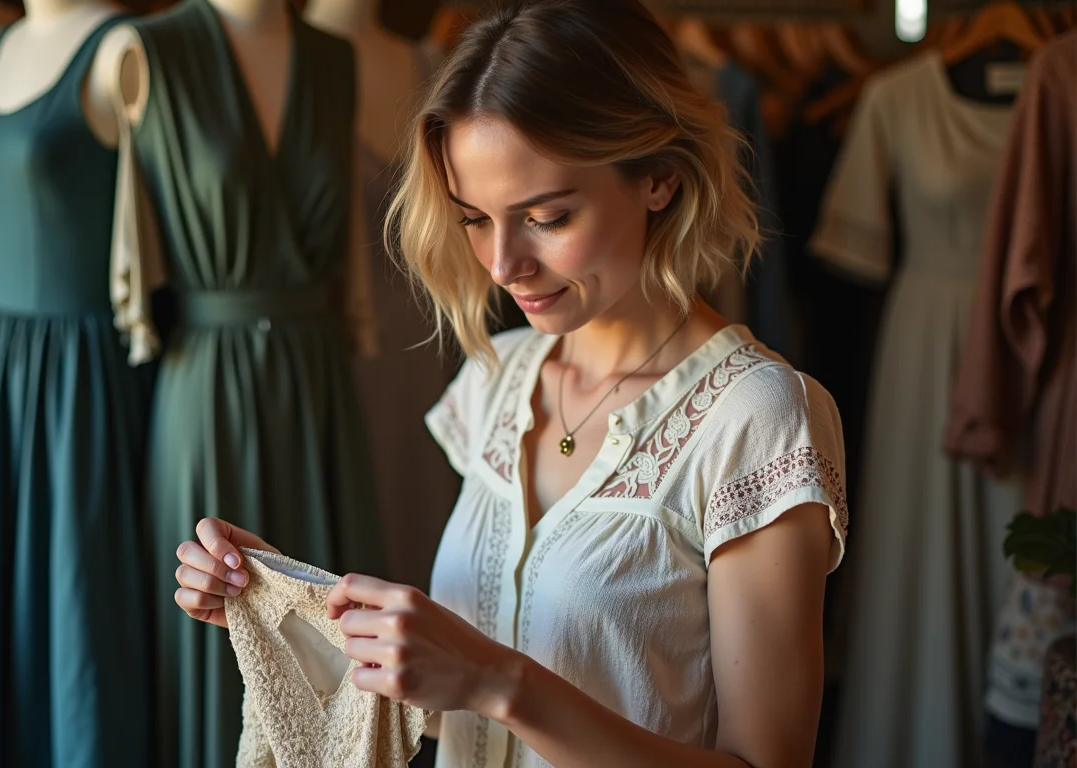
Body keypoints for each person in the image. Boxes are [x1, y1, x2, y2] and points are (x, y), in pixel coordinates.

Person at [171, 1, 849, 766]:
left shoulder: (754, 416)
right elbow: (447, 713)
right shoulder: (499, 376)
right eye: (474, 218)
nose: (502, 266)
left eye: (547, 217)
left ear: (659, 178)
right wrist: (287, 609)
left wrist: (498, 682)